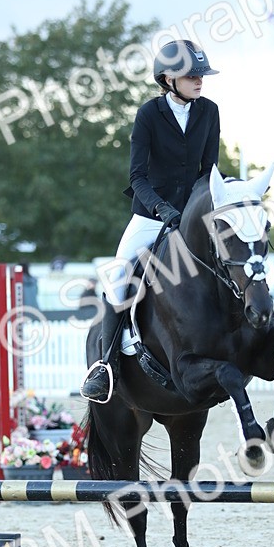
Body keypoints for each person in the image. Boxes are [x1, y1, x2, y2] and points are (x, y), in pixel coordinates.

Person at [80, 39, 221, 402]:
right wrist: (162, 210)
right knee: (118, 276)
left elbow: (209, 170)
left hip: (191, 216)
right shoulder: (148, 115)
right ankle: (106, 367)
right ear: (168, 79)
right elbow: (137, 178)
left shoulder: (209, 112)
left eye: (201, 74)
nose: (200, 81)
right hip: (150, 216)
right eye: (192, 75)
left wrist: (195, 207)